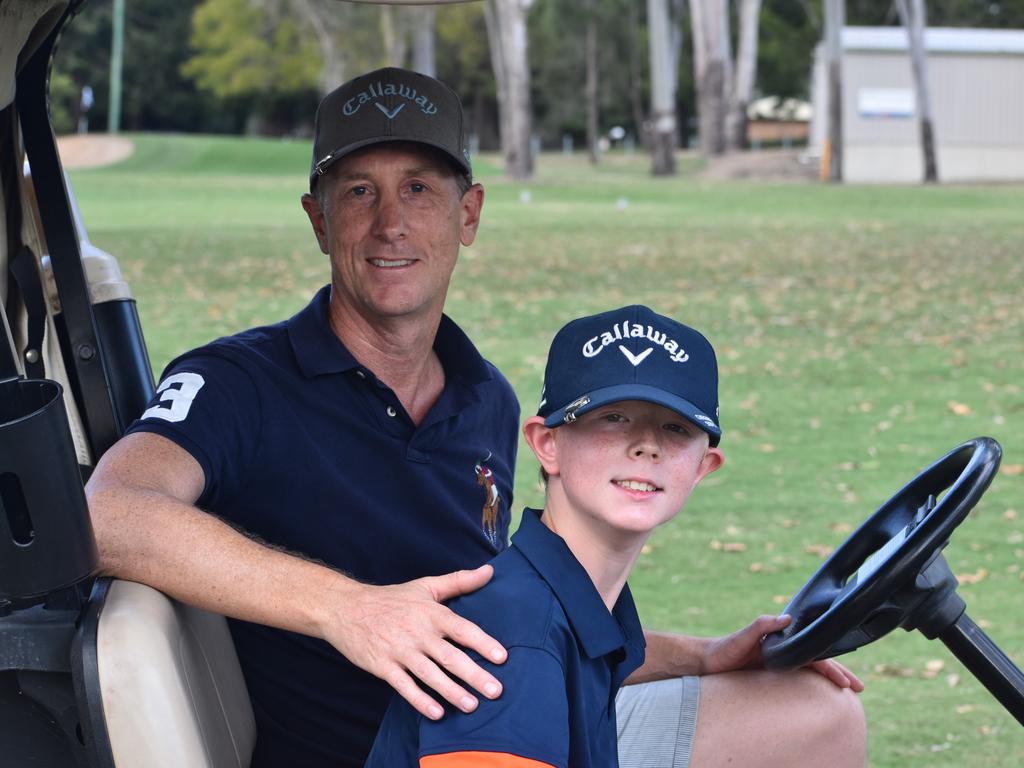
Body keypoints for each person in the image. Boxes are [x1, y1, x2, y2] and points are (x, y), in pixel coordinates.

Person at [86, 68, 866, 768]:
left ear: (469, 214)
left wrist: (702, 654)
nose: (390, 222)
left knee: (813, 703)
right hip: (417, 747)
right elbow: (108, 514)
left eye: (420, 189)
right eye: (359, 191)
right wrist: (346, 610)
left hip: (506, 718)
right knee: (817, 722)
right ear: (319, 220)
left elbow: (514, 624)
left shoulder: (484, 396)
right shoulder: (237, 383)